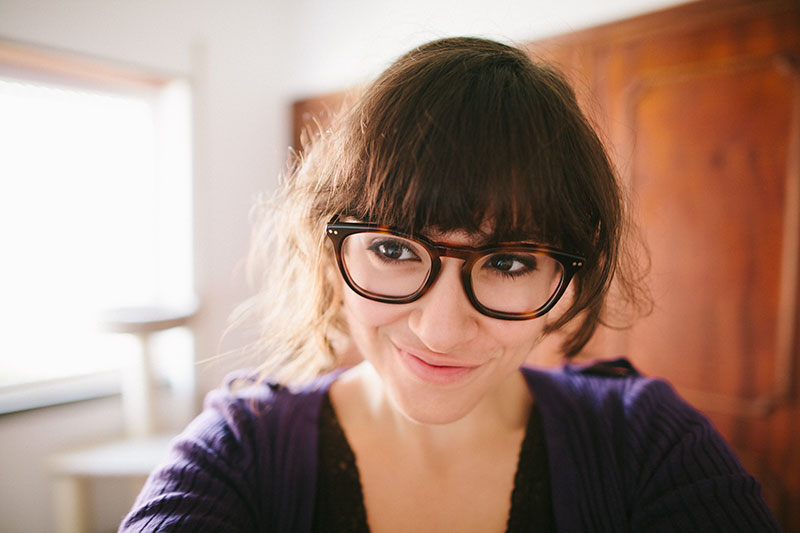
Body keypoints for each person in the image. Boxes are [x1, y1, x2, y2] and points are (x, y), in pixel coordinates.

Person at [120, 37, 779, 532]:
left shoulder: (645, 445)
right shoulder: (240, 453)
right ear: (329, 251)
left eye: (510, 263)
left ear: (570, 276)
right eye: (392, 248)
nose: (440, 329)